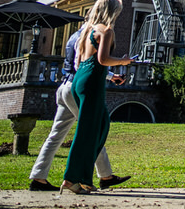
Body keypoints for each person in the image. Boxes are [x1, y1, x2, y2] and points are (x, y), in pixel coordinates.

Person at [29, 26, 131, 192]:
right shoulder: (88, 36)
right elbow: (84, 66)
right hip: (74, 89)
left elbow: (83, 63)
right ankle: (101, 176)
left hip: (63, 86)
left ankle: (38, 177)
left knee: (56, 135)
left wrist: (111, 76)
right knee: (92, 131)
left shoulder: (74, 37)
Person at [61, 0, 133, 195]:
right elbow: (103, 59)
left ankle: (84, 178)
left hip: (81, 80)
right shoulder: (106, 31)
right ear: (112, 12)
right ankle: (70, 179)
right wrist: (123, 61)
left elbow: (86, 60)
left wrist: (111, 76)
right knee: (87, 132)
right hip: (92, 82)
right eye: (118, 11)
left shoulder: (88, 30)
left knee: (100, 126)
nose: (119, 14)